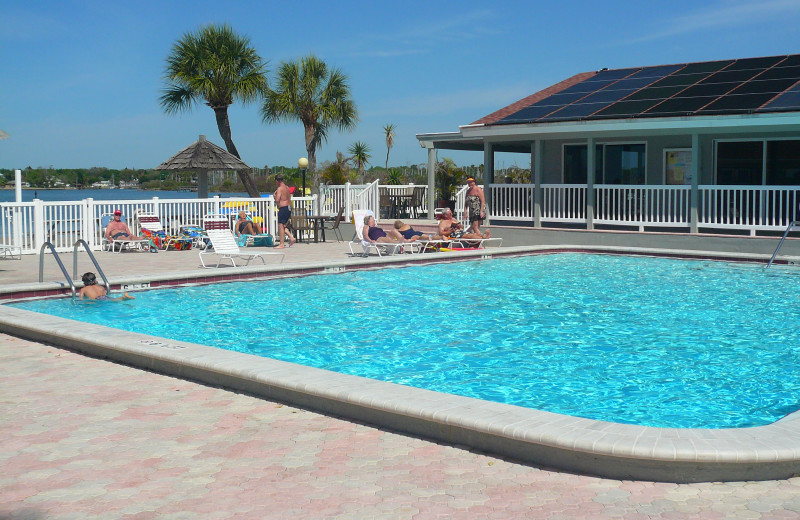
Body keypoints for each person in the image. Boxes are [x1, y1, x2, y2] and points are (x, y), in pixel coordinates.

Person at [273, 175, 296, 248]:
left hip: (283, 208)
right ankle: (291, 238)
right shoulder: (287, 187)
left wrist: (274, 196)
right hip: (289, 207)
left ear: (277, 181)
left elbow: (277, 200)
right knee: (283, 225)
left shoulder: (280, 188)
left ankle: (281, 244)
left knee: (280, 225)